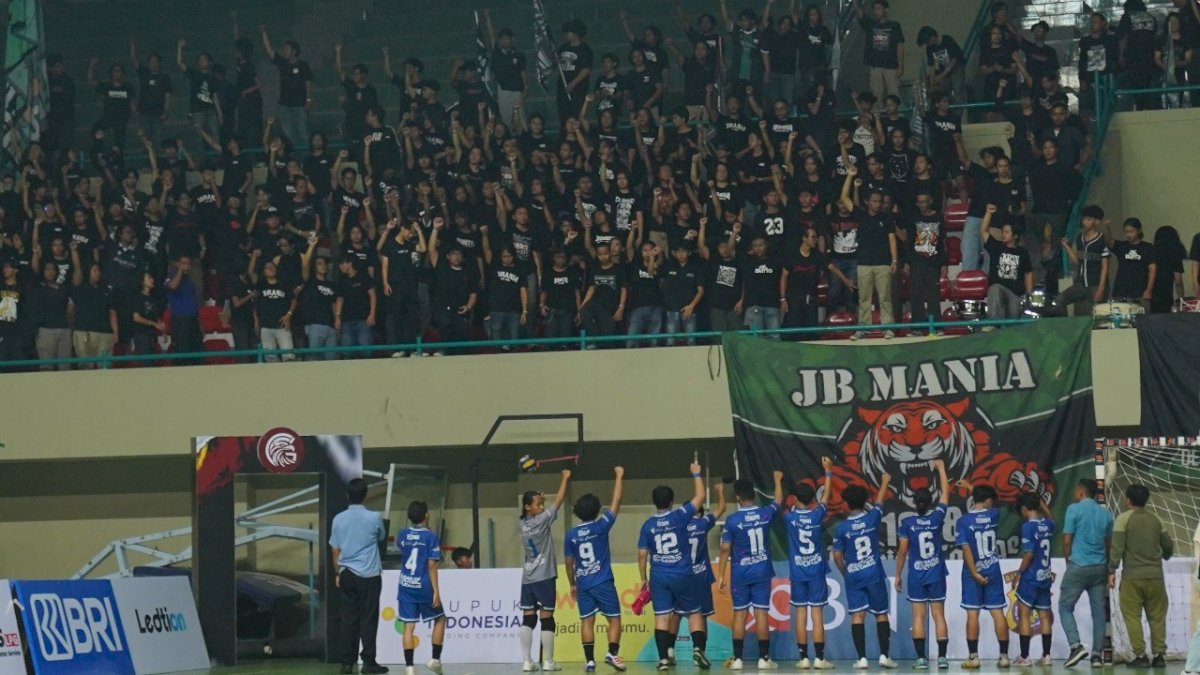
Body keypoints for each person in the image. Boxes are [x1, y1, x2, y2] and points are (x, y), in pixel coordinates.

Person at [636, 462, 708, 671]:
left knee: (662, 616)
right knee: (694, 612)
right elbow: (701, 497)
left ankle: (664, 659)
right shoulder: (680, 515)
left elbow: (642, 554)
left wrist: (643, 578)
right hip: (683, 573)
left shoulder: (648, 525)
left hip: (659, 575)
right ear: (671, 500)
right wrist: (696, 474)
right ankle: (697, 649)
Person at [718, 471, 785, 670]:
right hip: (761, 571)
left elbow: (724, 549)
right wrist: (777, 480)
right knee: (761, 614)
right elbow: (779, 500)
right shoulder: (765, 513)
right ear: (754, 495)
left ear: (737, 497)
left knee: (739, 614)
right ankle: (764, 659)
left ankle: (737, 659)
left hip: (740, 573)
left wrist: (721, 574)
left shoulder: (732, 520)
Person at [564, 466, 627, 673]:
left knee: (587, 621)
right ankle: (612, 652)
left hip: (583, 583)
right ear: (596, 509)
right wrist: (618, 476)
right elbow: (616, 502)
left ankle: (590, 661)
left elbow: (569, 562)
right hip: (603, 582)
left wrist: (572, 583)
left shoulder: (571, 534)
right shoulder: (601, 526)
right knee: (614, 618)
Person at [832, 473, 897, 670]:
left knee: (857, 616)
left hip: (854, 576)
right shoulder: (872, 518)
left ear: (846, 504)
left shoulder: (842, 528)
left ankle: (861, 659)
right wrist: (885, 481)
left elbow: (837, 557)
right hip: (874, 574)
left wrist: (846, 573)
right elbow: (878, 502)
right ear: (863, 502)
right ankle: (884, 656)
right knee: (881, 614)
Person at [894, 459, 951, 670]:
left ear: (914, 502)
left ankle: (921, 660)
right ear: (929, 502)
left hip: (917, 576)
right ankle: (943, 659)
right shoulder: (937, 517)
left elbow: (902, 551)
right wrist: (941, 468)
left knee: (918, 616)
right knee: (939, 615)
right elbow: (946, 493)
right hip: (936, 573)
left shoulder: (907, 523)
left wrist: (898, 575)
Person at [1109, 484, 1174, 668]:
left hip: (1132, 577)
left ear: (1128, 500)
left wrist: (1111, 571)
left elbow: (1117, 548)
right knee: (1157, 617)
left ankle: (1140, 655)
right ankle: (1159, 655)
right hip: (1156, 577)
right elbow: (1168, 545)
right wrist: (1165, 555)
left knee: (1132, 616)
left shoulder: (1123, 520)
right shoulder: (1156, 519)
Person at [329, 478, 388, 675]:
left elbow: (335, 550)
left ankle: (347, 663)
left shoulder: (338, 519)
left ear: (348, 495)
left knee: (348, 620)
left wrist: (338, 573)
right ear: (366, 495)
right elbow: (381, 537)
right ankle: (369, 662)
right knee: (368, 619)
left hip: (346, 574)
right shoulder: (374, 517)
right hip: (369, 575)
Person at [518, 469, 572, 672]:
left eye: (542, 504)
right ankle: (548, 661)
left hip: (528, 577)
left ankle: (526, 661)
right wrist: (564, 478)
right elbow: (559, 500)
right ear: (528, 506)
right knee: (547, 618)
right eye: (538, 504)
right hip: (545, 576)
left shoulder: (522, 522)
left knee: (528, 617)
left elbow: (538, 507)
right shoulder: (542, 521)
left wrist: (538, 499)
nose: (541, 507)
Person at [786, 458, 835, 670]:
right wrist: (828, 472)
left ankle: (803, 658)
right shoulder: (817, 514)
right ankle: (820, 659)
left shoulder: (789, 518)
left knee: (800, 614)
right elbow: (826, 496)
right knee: (817, 615)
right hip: (816, 571)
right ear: (812, 499)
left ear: (795, 499)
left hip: (798, 572)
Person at [1060, 479, 1113, 669]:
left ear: (1081, 492)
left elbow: (1066, 541)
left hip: (1078, 564)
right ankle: (1097, 655)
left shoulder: (1073, 510)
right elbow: (1109, 544)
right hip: (1099, 566)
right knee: (1098, 612)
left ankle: (1076, 646)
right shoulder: (1106, 513)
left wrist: (1069, 562)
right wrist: (1107, 566)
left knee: (1065, 606)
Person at [956, 482, 1010, 669]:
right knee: (998, 613)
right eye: (991, 501)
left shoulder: (963, 521)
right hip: (993, 568)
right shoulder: (994, 515)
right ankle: (1004, 657)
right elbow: (986, 503)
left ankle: (974, 657)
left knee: (973, 614)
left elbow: (966, 550)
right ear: (988, 501)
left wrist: (974, 573)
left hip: (972, 573)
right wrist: (972, 487)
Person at [839, 166, 897, 339]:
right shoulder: (861, 215)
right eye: (874, 201)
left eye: (880, 202)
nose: (878, 204)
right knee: (863, 299)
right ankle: (863, 329)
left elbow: (892, 239)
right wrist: (849, 176)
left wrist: (894, 260)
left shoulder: (886, 217)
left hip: (883, 263)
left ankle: (888, 328)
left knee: (885, 298)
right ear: (867, 202)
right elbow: (844, 197)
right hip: (864, 263)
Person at [396, 500, 446, 675]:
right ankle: (435, 660)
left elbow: (404, 551)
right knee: (440, 619)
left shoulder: (402, 534)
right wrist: (436, 591)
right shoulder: (431, 536)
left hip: (405, 584)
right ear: (426, 515)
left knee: (409, 625)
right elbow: (431, 565)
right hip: (423, 584)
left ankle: (409, 667)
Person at [1013, 492, 1055, 667]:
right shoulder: (1049, 524)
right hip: (1045, 576)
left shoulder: (1027, 527)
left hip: (1031, 578)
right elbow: (1050, 517)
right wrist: (1043, 506)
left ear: (1023, 509)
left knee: (1024, 615)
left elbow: (1029, 553)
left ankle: (1024, 656)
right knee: (1044, 616)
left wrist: (1019, 573)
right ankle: (1046, 656)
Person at [261, 27, 313, 147]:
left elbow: (308, 83)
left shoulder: (303, 65)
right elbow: (269, 50)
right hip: (284, 104)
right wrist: (264, 33)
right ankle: (293, 158)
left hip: (300, 104)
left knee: (303, 132)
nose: (284, 51)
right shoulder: (282, 63)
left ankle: (306, 158)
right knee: (288, 133)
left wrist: (309, 100)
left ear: (294, 51)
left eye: (287, 49)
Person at [1055, 205, 1110, 317]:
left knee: (1098, 314)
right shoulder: (1080, 238)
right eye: (1084, 219)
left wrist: (1101, 288)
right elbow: (1078, 260)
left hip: (1095, 285)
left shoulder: (1101, 240)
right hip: (1080, 284)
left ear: (1096, 222)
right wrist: (1066, 246)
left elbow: (1105, 266)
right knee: (1059, 299)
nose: (1085, 222)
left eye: (1089, 219)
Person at [980, 204, 1032, 321]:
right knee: (995, 288)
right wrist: (988, 213)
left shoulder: (1022, 252)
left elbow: (1028, 273)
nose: (1003, 234)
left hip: (1015, 296)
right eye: (1003, 231)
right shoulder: (996, 247)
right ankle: (993, 323)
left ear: (1015, 235)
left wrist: (1029, 296)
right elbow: (983, 231)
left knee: (1013, 321)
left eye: (1007, 232)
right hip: (998, 292)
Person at [905, 193, 947, 331]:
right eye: (919, 202)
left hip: (933, 262)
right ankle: (917, 328)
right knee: (916, 294)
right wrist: (907, 262)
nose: (922, 205)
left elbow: (943, 242)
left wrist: (944, 263)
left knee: (933, 295)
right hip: (917, 261)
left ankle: (935, 327)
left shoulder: (939, 217)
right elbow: (909, 241)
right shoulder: (913, 217)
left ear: (930, 201)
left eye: (924, 202)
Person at [852, 0, 905, 106]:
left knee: (894, 94)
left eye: (879, 9)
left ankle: (898, 119)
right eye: (875, 9)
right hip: (875, 66)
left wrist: (901, 65)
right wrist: (855, 4)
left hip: (891, 66)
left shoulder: (894, 25)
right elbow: (860, 13)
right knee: (876, 96)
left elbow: (900, 45)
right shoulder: (871, 24)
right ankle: (877, 119)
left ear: (886, 10)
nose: (876, 12)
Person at [1111, 218, 1156, 309]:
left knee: (1143, 319)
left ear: (1139, 231)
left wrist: (1149, 289)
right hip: (1121, 291)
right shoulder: (1121, 246)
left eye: (1132, 231)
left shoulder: (1147, 248)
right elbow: (1108, 241)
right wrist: (1107, 228)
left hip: (1140, 291)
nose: (1128, 234)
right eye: (1126, 232)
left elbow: (1153, 269)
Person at [918, 27, 965, 101]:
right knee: (940, 88)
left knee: (957, 88)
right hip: (944, 70)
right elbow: (931, 66)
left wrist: (941, 76)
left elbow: (954, 60)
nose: (927, 44)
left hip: (956, 67)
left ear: (933, 37)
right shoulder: (930, 49)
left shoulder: (947, 40)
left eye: (927, 42)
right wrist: (932, 82)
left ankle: (959, 110)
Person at [1150, 226, 1186, 313]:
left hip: (1149, 293)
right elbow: (1178, 282)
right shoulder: (1175, 256)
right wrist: (1181, 301)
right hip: (1166, 295)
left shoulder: (1151, 252)